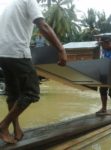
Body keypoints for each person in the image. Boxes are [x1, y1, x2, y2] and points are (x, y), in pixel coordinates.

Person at [0, 0, 67, 144]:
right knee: (32, 92)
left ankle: (16, 129)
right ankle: (3, 126)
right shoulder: (29, 1)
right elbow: (43, 26)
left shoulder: (10, 5)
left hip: (3, 53)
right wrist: (61, 49)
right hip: (17, 52)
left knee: (13, 93)